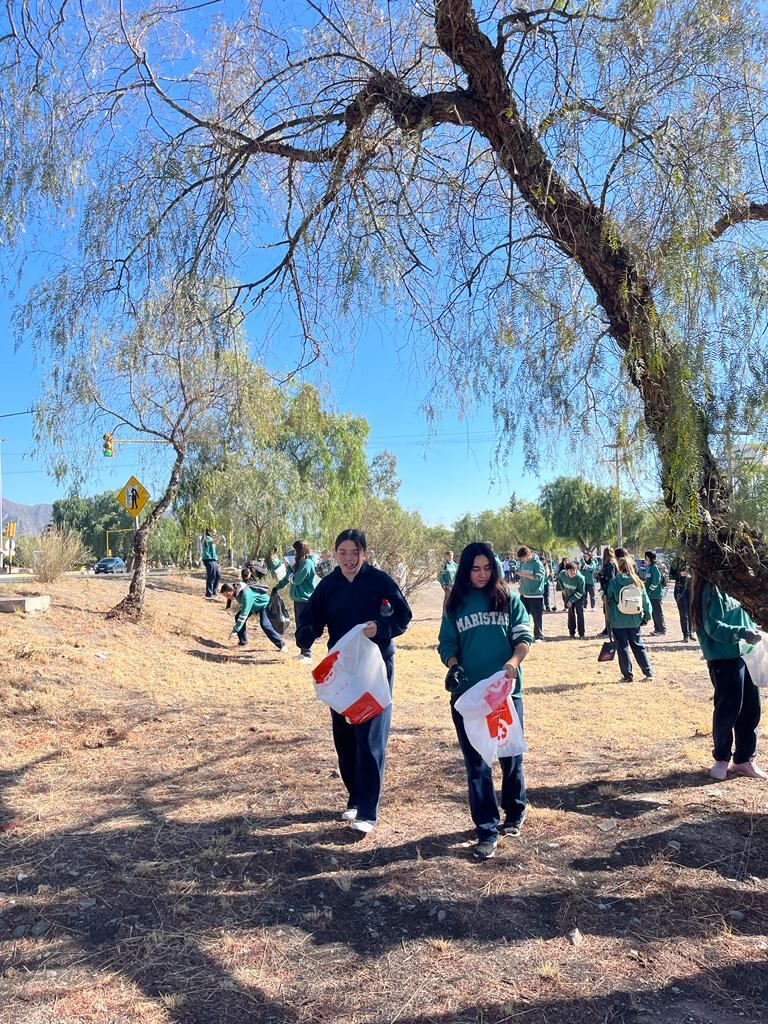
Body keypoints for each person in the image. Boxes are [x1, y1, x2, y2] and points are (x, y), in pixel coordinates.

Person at [296, 529, 412, 834]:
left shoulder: (379, 581)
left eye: (354, 553)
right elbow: (311, 618)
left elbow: (403, 616)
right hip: (343, 671)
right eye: (342, 553)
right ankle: (355, 798)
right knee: (345, 736)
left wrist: (381, 627)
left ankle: (368, 811)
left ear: (365, 553)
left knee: (370, 736)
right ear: (335, 554)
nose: (348, 559)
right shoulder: (329, 585)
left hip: (375, 670)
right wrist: (305, 633)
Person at [438, 542, 532, 860]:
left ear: (495, 568)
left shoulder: (509, 599)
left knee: (509, 759)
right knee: (478, 766)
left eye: (487, 567)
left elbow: (523, 639)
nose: (481, 574)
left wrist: (513, 665)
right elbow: (447, 644)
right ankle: (487, 830)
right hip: (469, 697)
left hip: (505, 694)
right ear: (466, 570)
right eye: (475, 568)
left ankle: (515, 811)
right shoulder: (456, 603)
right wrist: (453, 666)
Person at [689, 572, 766, 780]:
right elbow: (713, 627)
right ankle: (721, 759)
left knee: (751, 709)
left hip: (746, 654)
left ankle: (744, 760)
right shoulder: (710, 589)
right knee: (728, 709)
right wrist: (743, 632)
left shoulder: (735, 586)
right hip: (724, 658)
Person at [607, 554, 653, 682]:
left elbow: (610, 598)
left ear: (619, 567)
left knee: (622, 647)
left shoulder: (614, 581)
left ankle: (627, 675)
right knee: (638, 645)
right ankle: (648, 672)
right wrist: (647, 617)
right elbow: (646, 602)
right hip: (634, 619)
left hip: (618, 619)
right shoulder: (637, 581)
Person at [274, 539, 319, 662]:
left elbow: (296, 580)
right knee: (300, 627)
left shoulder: (307, 563)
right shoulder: (300, 563)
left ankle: (307, 654)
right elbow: (288, 579)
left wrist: (288, 569)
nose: (293, 553)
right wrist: (276, 587)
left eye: (295, 550)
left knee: (304, 627)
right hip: (298, 600)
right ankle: (303, 652)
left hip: (305, 601)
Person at [220, 581, 286, 651]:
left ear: (231, 590)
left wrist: (235, 630)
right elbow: (243, 608)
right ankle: (243, 642)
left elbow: (244, 614)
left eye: (227, 595)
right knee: (238, 616)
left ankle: (282, 645)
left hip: (265, 605)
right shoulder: (236, 592)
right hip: (254, 606)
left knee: (265, 624)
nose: (227, 597)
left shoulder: (246, 594)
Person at [517, 546, 545, 642]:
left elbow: (538, 577)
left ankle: (539, 636)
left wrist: (524, 575)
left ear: (528, 555)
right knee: (523, 616)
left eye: (523, 558)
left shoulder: (538, 564)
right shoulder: (523, 563)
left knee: (536, 616)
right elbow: (523, 576)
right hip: (524, 594)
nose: (522, 560)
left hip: (535, 595)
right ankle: (524, 634)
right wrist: (521, 580)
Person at [558, 560, 586, 639]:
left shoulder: (580, 578)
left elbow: (581, 592)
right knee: (570, 614)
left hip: (579, 596)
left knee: (579, 613)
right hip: (569, 595)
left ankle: (581, 634)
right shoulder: (562, 574)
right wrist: (562, 588)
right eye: (571, 570)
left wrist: (572, 600)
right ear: (567, 571)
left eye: (574, 570)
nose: (573, 572)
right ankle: (572, 633)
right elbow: (559, 580)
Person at [644, 550, 667, 634]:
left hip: (655, 595)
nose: (644, 559)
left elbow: (656, 581)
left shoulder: (654, 567)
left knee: (657, 612)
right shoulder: (649, 567)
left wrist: (649, 590)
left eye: (645, 557)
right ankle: (657, 628)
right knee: (654, 612)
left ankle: (661, 629)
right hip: (650, 595)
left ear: (648, 558)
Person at [597, 546, 618, 636]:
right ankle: (608, 628)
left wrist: (602, 578)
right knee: (607, 609)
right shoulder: (613, 562)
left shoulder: (609, 563)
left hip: (609, 589)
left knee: (608, 609)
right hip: (609, 588)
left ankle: (609, 629)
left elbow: (611, 578)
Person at [674, 563, 694, 642]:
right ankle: (686, 635)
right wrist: (680, 575)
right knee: (683, 615)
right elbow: (671, 575)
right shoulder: (679, 580)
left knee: (691, 614)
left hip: (690, 595)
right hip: (681, 596)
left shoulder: (691, 578)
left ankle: (690, 633)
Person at [201, 528, 220, 599]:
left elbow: (214, 543)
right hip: (208, 559)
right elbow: (212, 542)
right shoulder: (206, 537)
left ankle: (214, 591)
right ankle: (209, 593)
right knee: (211, 575)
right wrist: (220, 538)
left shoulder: (211, 538)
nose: (215, 534)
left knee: (217, 575)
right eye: (214, 532)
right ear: (209, 532)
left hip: (213, 559)